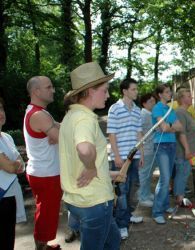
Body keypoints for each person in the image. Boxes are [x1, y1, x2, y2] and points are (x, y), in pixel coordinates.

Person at [59, 62, 122, 249]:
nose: (108, 95)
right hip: (93, 202)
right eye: (104, 90)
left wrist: (104, 172)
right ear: (89, 92)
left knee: (113, 240)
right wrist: (91, 167)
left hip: (77, 199)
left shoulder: (70, 117)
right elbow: (85, 150)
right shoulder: (85, 119)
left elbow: (75, 160)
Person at [23, 76, 62, 250]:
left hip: (44, 171)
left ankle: (44, 246)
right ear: (36, 91)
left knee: (47, 212)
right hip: (45, 173)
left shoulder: (39, 112)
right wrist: (56, 133)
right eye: (49, 87)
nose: (52, 90)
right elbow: (62, 137)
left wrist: (56, 131)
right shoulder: (39, 114)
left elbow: (59, 129)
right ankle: (41, 248)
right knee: (46, 214)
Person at [107, 78, 144, 240]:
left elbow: (139, 134)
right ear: (125, 91)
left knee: (132, 189)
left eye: (136, 89)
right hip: (120, 157)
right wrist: (116, 155)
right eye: (134, 89)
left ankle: (127, 216)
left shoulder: (137, 110)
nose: (136, 92)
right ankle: (121, 225)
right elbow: (112, 134)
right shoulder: (115, 109)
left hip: (134, 156)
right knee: (121, 192)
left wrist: (141, 154)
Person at [151, 84, 182, 224]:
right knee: (165, 178)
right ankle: (157, 212)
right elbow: (162, 128)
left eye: (170, 91)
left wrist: (169, 127)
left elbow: (179, 126)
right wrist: (170, 127)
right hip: (161, 145)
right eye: (167, 92)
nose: (170, 94)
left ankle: (163, 206)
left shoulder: (170, 109)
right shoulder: (157, 108)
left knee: (166, 178)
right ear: (160, 95)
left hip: (172, 144)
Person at [0, 97, 26, 250]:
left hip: (11, 197)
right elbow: (11, 167)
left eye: (1, 108)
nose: (0, 113)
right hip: (2, 198)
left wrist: (13, 163)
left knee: (9, 241)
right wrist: (13, 162)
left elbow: (20, 165)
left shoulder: (7, 137)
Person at [174, 88, 195, 205]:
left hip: (188, 150)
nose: (191, 98)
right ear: (182, 99)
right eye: (188, 96)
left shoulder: (187, 112)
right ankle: (180, 198)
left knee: (184, 173)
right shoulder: (179, 112)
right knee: (182, 173)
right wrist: (187, 150)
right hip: (182, 150)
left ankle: (181, 195)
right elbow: (181, 133)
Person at [138, 93, 157, 207]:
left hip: (152, 147)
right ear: (144, 103)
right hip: (146, 148)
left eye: (154, 101)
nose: (153, 103)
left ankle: (147, 193)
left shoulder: (151, 114)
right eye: (150, 102)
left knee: (149, 173)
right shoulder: (143, 115)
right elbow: (138, 132)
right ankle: (143, 197)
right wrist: (141, 151)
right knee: (144, 173)